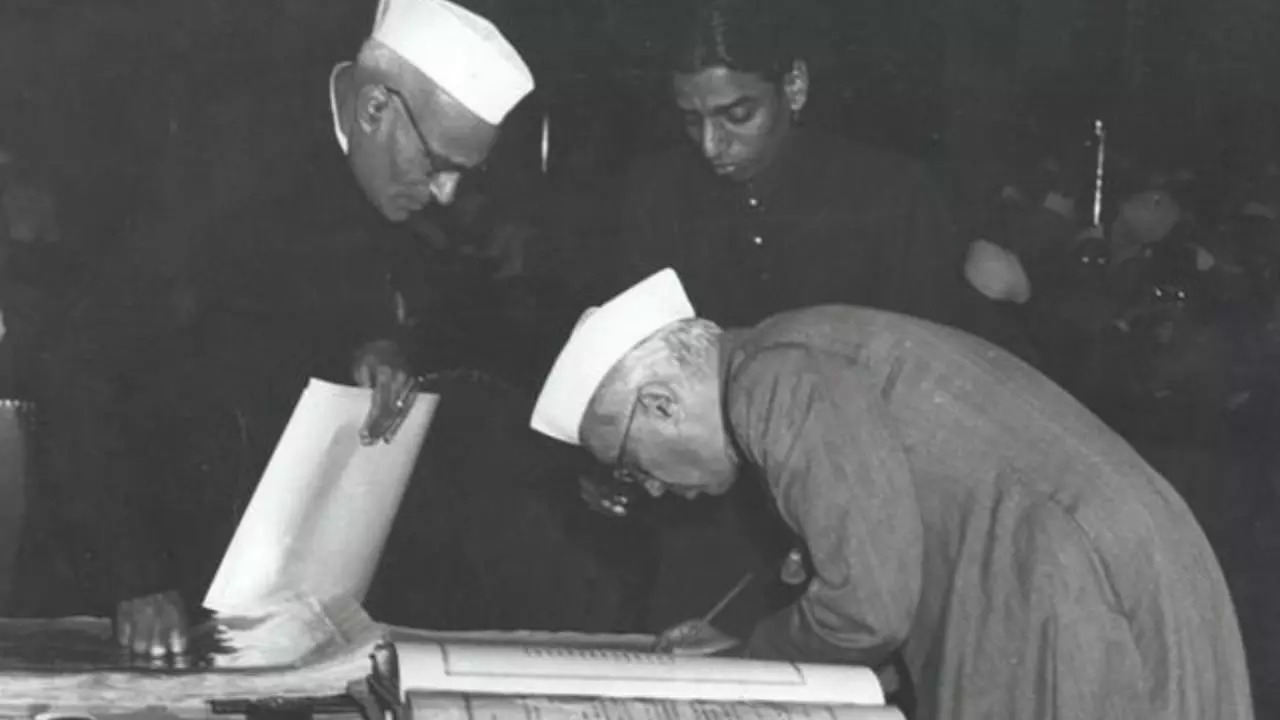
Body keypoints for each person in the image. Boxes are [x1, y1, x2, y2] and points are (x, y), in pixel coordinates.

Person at [16, 0, 537, 658]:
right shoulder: (212, 168)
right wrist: (134, 577)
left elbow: (348, 291)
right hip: (128, 584)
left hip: (254, 591)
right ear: (375, 108)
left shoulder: (374, 172)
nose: (447, 195)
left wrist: (376, 344)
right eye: (439, 163)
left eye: (466, 171)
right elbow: (75, 364)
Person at [527, 268, 1254, 720]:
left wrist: (751, 656)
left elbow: (866, 609)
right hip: (1110, 566)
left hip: (1064, 592)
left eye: (630, 465)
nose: (651, 486)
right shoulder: (785, 353)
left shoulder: (769, 384)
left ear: (658, 404)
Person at [595, 0, 987, 643]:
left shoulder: (890, 194)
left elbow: (923, 400)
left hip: (863, 521)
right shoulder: (656, 192)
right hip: (708, 525)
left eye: (736, 115)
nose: (711, 145)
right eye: (691, 120)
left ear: (795, 87)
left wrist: (835, 528)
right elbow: (636, 367)